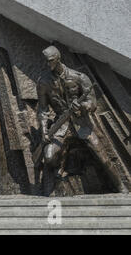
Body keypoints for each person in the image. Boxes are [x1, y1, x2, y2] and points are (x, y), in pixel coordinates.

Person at [37, 45, 128, 194]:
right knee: (49, 157)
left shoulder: (79, 77)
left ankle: (120, 186)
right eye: (46, 61)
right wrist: (44, 131)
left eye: (51, 61)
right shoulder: (43, 82)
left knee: (101, 154)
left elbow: (92, 104)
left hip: (82, 124)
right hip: (62, 125)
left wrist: (82, 107)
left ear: (58, 59)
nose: (48, 64)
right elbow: (42, 110)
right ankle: (62, 163)